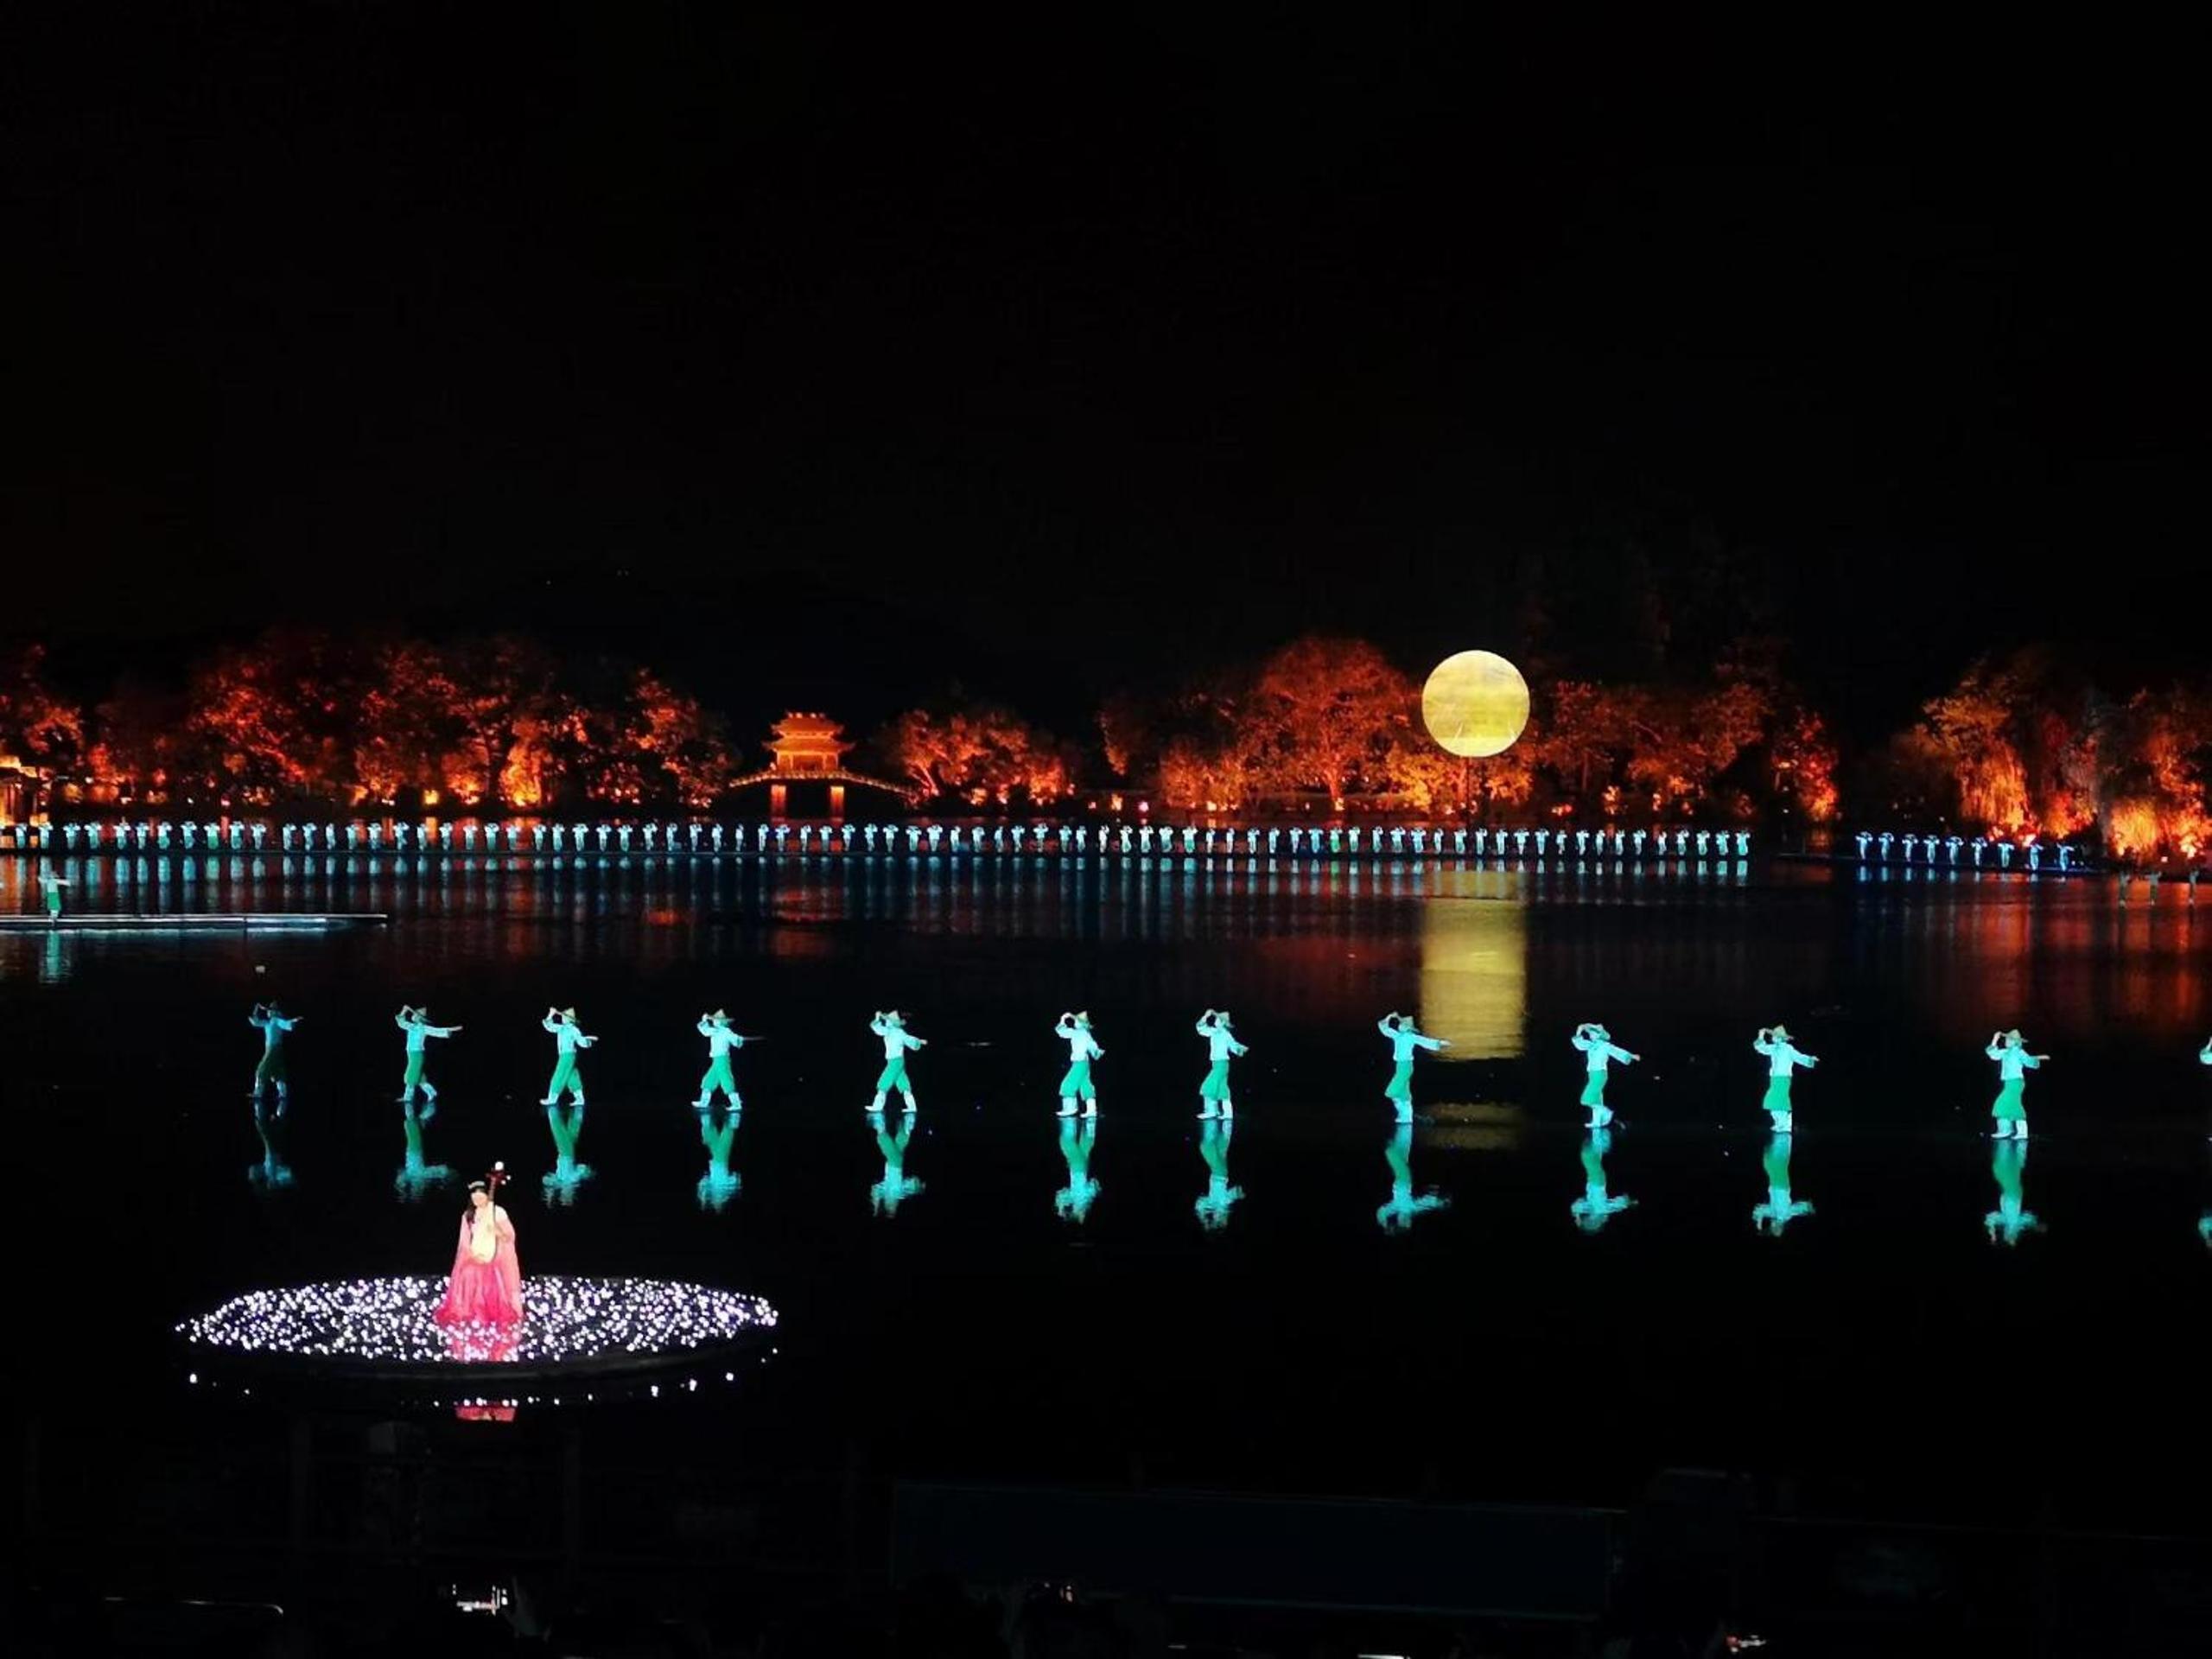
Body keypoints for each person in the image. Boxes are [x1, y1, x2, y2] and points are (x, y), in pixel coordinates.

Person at [434, 1173, 524, 1327]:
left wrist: (498, 1232)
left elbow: (509, 1237)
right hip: (474, 1254)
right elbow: (464, 1242)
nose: (477, 1199)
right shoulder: (468, 1215)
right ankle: (470, 1311)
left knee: (489, 1274)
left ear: (487, 1196)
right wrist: (472, 1256)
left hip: (494, 1257)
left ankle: (488, 1312)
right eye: (474, 1196)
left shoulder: (498, 1212)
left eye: (480, 1195)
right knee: (469, 1271)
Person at [1376, 1122, 1450, 1232]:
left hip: (1400, 1179)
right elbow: (1426, 1202)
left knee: (1397, 1155)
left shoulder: (1395, 1208)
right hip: (1405, 1178)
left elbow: (1381, 1211)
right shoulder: (1412, 1208)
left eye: (1403, 1221)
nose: (1405, 1220)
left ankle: (1397, 1136)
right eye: (1407, 1222)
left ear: (1399, 1220)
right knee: (1391, 1154)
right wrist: (1440, 1202)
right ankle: (1391, 1141)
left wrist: (1385, 1224)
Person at [1377, 1012, 1450, 1123]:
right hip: (1400, 1066)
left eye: (1403, 1024)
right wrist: (1389, 1017)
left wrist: (1440, 1043)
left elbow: (1425, 1041)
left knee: (1392, 1091)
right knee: (1404, 1094)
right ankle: (1406, 1117)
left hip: (1406, 1067)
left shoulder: (1411, 1037)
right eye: (1400, 1024)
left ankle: (1405, 1114)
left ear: (1407, 1028)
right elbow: (1384, 1028)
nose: (1400, 1026)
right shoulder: (1397, 1035)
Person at [1751, 1024, 1818, 1132]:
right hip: (1775, 1078)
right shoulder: (1774, 1048)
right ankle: (1780, 1123)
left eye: (1775, 1036)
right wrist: (1760, 1036)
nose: (1773, 1038)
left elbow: (1798, 1057)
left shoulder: (1788, 1048)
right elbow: (1761, 1048)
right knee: (1772, 1100)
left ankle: (1784, 1125)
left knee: (1779, 1100)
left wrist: (1810, 1059)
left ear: (1780, 1038)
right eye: (1773, 1036)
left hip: (1783, 1078)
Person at [1571, 1021, 1638, 1128]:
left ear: (1599, 1035)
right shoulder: (1591, 1045)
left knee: (1586, 1098)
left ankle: (1607, 1112)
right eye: (1590, 1033)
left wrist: (1631, 1056)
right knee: (1596, 1099)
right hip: (1593, 1074)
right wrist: (1579, 1030)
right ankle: (1597, 1122)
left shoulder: (1604, 1045)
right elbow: (1579, 1044)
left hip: (1599, 1074)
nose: (1591, 1034)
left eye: (1593, 1033)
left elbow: (1617, 1051)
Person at [395, 1005, 461, 1113]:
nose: (413, 1016)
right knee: (419, 1077)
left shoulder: (423, 1028)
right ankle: (431, 1092)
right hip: (412, 1054)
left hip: (417, 1055)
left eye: (416, 1015)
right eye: (414, 1014)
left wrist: (451, 1029)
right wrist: (404, 1010)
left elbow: (436, 1031)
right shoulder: (411, 1026)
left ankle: (408, 1097)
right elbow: (401, 1023)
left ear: (420, 1018)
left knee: (411, 1074)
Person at [1985, 1029, 2047, 1140]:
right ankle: (2006, 1130)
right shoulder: (2005, 1052)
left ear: (2015, 1042)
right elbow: (1993, 1054)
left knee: (2007, 1104)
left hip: (2016, 1082)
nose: (2006, 1041)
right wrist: (1995, 1039)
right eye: (2006, 1039)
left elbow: (2028, 1061)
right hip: (2008, 1083)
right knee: (2004, 1104)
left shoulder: (2019, 1052)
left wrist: (2037, 1059)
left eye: (2009, 1039)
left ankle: (2020, 1132)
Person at [1570, 1128, 1635, 1232]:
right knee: (1587, 1157)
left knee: (1592, 1158)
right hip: (1597, 1182)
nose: (1591, 1221)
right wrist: (1628, 1202)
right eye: (1593, 1223)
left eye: (1589, 1222)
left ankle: (1600, 1139)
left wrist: (1577, 1218)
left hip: (1594, 1180)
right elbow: (1617, 1205)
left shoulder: (1591, 1208)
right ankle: (1603, 1142)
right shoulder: (1602, 1210)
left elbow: (1575, 1206)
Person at [1751, 1133, 1815, 1236]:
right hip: (1782, 1185)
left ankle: (1772, 1142)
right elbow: (1797, 1209)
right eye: (1777, 1229)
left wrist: (1759, 1223)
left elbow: (1761, 1210)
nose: (1774, 1226)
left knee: (1768, 1163)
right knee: (1776, 1164)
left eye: (1774, 1228)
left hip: (1774, 1184)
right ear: (1781, 1227)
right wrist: (1807, 1207)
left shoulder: (1773, 1213)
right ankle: (1783, 1137)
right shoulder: (1785, 1216)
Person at [868, 1011, 927, 1114]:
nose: (887, 1021)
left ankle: (877, 1106)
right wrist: (877, 1018)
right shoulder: (889, 1031)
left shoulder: (897, 1032)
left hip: (896, 1061)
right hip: (896, 1061)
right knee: (903, 1082)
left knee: (884, 1081)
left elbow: (909, 1039)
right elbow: (877, 1028)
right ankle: (912, 1106)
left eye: (889, 1020)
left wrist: (919, 1041)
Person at [1194, 1008, 1249, 1120]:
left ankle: (1211, 1111)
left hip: (1222, 1064)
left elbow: (1233, 1045)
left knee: (1208, 1086)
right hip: (1217, 1064)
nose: (1215, 1020)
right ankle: (1228, 1113)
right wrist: (1205, 1016)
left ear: (1223, 1022)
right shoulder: (1213, 1032)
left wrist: (1240, 1049)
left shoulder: (1225, 1034)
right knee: (1222, 1089)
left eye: (1218, 1019)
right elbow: (1200, 1029)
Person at [248, 1001, 302, 1112]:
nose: (268, 1012)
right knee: (278, 1071)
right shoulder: (268, 1022)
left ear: (275, 1012)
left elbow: (286, 1024)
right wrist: (256, 1008)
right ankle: (283, 1094)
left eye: (270, 1010)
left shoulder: (276, 1020)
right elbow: (255, 1022)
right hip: (273, 1050)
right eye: (268, 1010)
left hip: (273, 1050)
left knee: (262, 1069)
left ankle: (258, 1093)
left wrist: (293, 1021)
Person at [539, 1007, 596, 1108]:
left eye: (563, 1017)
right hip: (565, 1055)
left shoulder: (573, 1029)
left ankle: (552, 1098)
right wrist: (551, 1014)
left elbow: (581, 1041)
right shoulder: (562, 1028)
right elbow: (549, 1026)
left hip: (568, 1055)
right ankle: (580, 1099)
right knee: (571, 1076)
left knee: (560, 1074)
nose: (562, 1018)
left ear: (568, 1019)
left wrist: (588, 1041)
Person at [1053, 1012, 1104, 1119]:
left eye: (1076, 1021)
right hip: (1083, 1063)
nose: (1075, 1022)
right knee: (1085, 1085)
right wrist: (1062, 1019)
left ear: (1081, 1023)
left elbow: (1062, 1032)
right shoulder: (1080, 1033)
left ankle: (1070, 1108)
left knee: (1068, 1083)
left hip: (1080, 1063)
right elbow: (1092, 1046)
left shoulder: (1080, 1033)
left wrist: (1062, 1020)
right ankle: (1091, 1110)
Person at [694, 1009, 747, 1109]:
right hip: (716, 1060)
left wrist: (738, 1039)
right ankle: (704, 1102)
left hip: (723, 1060)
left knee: (726, 1079)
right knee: (709, 1080)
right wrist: (704, 1021)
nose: (714, 1021)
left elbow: (735, 1040)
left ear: (722, 1021)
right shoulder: (714, 1030)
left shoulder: (726, 1031)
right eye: (714, 1019)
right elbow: (705, 1031)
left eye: (716, 1019)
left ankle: (736, 1104)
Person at [1054, 1116, 1100, 1222]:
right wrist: (1060, 1209)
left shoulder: (1086, 1198)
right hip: (1076, 1166)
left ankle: (1090, 1120)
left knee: (1086, 1144)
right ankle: (1071, 1120)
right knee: (1066, 1142)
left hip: (1084, 1166)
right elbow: (1060, 1195)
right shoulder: (1076, 1198)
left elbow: (1094, 1184)